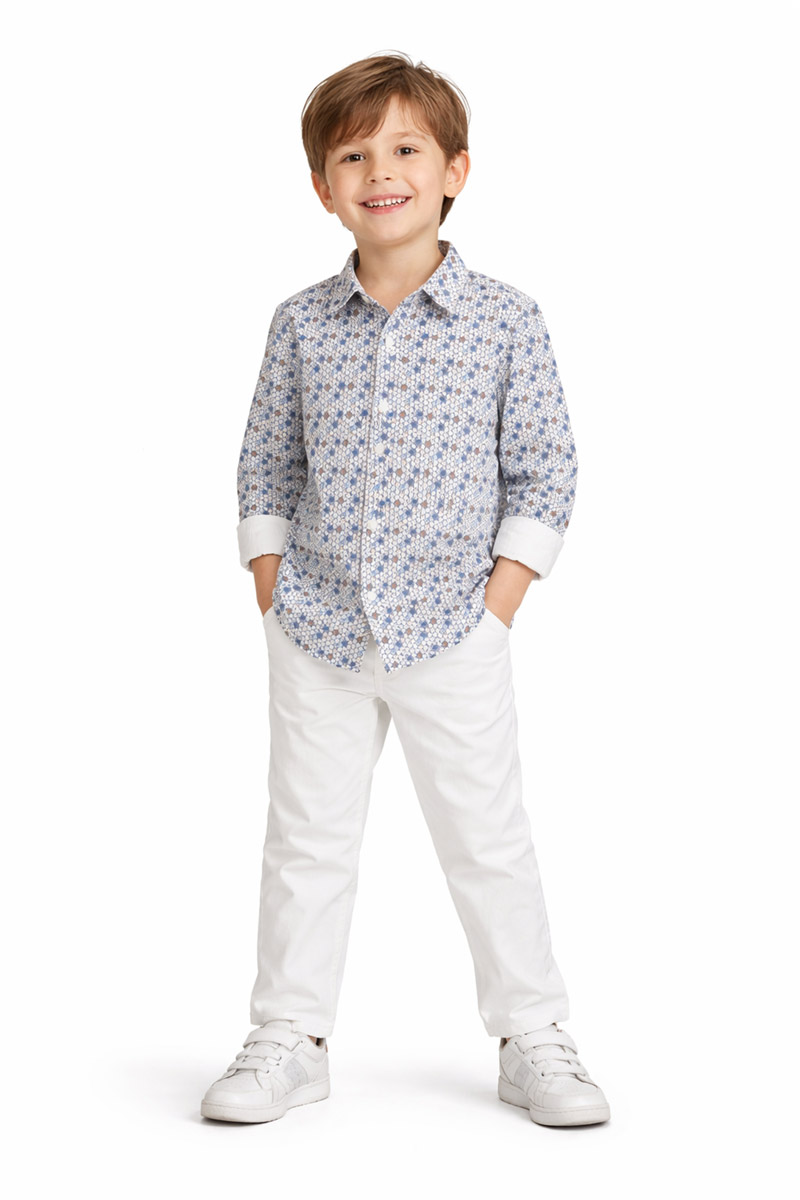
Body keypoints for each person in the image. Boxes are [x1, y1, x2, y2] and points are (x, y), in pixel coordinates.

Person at [200, 51, 610, 1129]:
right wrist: (270, 583)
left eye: (404, 149)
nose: (379, 172)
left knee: (486, 839)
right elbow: (265, 461)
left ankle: (533, 1034)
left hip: (452, 630)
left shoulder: (505, 319)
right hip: (317, 628)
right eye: (352, 156)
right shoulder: (300, 323)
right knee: (306, 839)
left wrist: (499, 603)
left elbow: (545, 467)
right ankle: (289, 1036)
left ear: (453, 171)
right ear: (321, 187)